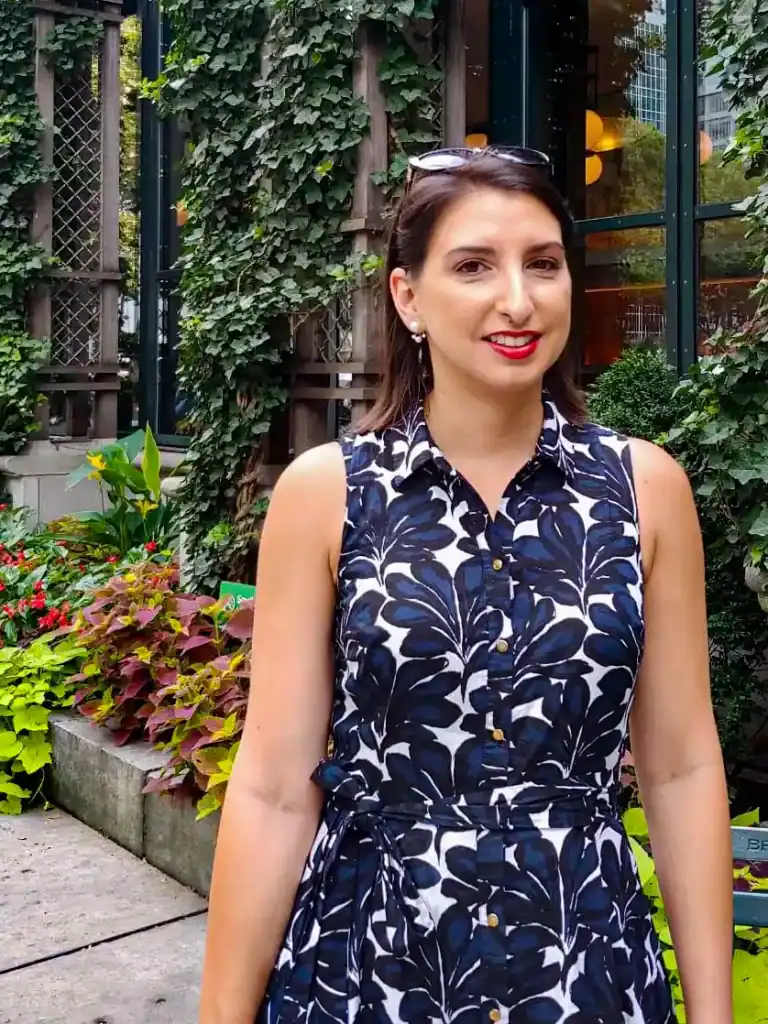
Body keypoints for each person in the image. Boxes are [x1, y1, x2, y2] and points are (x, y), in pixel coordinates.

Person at [198, 148, 734, 1024]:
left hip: (586, 974)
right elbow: (272, 787)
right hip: (368, 968)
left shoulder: (646, 490)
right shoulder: (326, 494)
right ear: (409, 297)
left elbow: (679, 770)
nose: (517, 301)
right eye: (474, 266)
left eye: (544, 265)